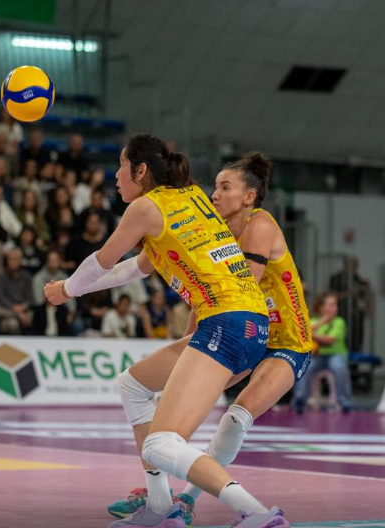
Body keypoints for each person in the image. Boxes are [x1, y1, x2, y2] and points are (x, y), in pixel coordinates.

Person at [45, 135, 284, 528]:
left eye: (122, 166)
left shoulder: (145, 207)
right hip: (249, 324)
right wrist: (74, 288)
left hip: (226, 323)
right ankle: (160, 507)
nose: (116, 175)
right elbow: (134, 269)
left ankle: (257, 514)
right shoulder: (188, 197)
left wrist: (67, 289)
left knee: (160, 443)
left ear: (141, 171)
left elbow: (103, 261)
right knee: (133, 385)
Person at [106, 152, 312, 525]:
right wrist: (192, 346)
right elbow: (208, 300)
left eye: (225, 187)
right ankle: (160, 497)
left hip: (286, 342)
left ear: (249, 197)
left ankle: (188, 498)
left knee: (234, 419)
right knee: (169, 412)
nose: (214, 194)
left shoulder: (260, 224)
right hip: (243, 333)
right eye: (215, 186)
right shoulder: (218, 231)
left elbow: (236, 295)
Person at [292, 292, 353, 413]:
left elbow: (330, 340)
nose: (334, 308)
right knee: (303, 368)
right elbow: (302, 334)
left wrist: (312, 335)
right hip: (317, 356)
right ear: (321, 307)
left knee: (339, 367)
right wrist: (323, 321)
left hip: (335, 355)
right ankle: (299, 400)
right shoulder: (313, 321)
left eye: (335, 305)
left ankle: (346, 402)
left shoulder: (339, 322)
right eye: (331, 305)